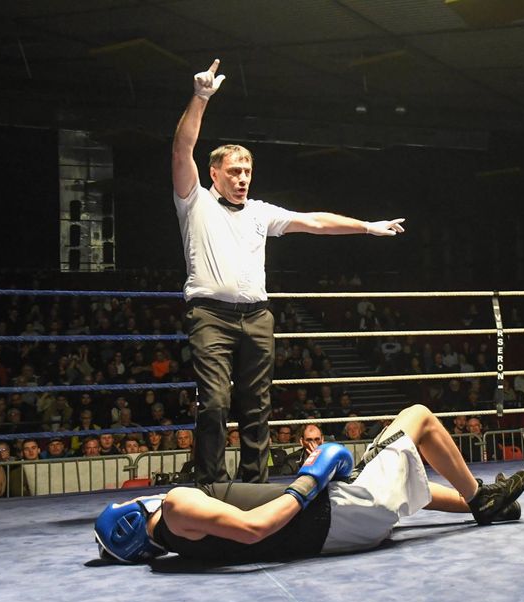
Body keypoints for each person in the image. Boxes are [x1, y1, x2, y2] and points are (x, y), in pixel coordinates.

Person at [173, 59, 406, 485]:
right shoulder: (195, 202)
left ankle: (253, 484)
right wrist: (201, 97)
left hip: (257, 316)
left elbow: (314, 221)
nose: (242, 178)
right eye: (234, 172)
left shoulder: (261, 212)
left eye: (247, 171)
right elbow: (181, 149)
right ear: (214, 174)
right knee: (214, 403)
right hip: (210, 315)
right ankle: (208, 483)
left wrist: (366, 226)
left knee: (257, 404)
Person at [93, 405, 524, 563]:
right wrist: (309, 479)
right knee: (419, 417)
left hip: (346, 525)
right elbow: (253, 529)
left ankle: (484, 505)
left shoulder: (181, 548)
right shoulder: (175, 506)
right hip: (337, 514)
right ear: (131, 520)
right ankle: (480, 499)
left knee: (401, 492)